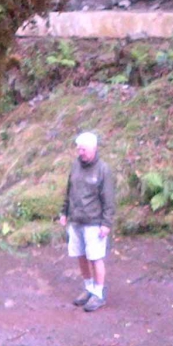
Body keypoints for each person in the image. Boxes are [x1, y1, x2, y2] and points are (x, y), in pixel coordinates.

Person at [57, 131, 115, 312]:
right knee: (80, 256)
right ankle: (89, 288)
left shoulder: (103, 169)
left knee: (95, 257)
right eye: (78, 149)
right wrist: (64, 212)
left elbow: (109, 199)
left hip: (94, 222)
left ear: (94, 148)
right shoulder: (75, 166)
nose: (80, 152)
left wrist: (106, 223)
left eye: (84, 149)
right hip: (76, 220)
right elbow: (69, 191)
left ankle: (99, 293)